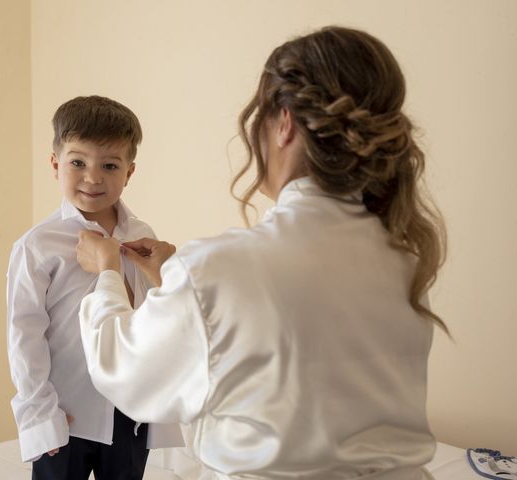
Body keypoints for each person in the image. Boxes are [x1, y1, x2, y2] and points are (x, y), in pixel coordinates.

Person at [76, 27, 447, 480]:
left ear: (284, 122)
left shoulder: (219, 269)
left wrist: (108, 274)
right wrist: (177, 280)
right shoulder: (406, 262)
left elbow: (125, 372)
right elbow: (299, 359)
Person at [6, 95, 183, 480]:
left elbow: (152, 318)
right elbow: (25, 334)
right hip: (67, 413)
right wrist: (39, 411)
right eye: (77, 162)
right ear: (55, 164)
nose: (93, 177)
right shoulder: (38, 245)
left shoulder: (143, 237)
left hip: (130, 410)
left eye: (109, 165)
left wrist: (168, 275)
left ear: (129, 172)